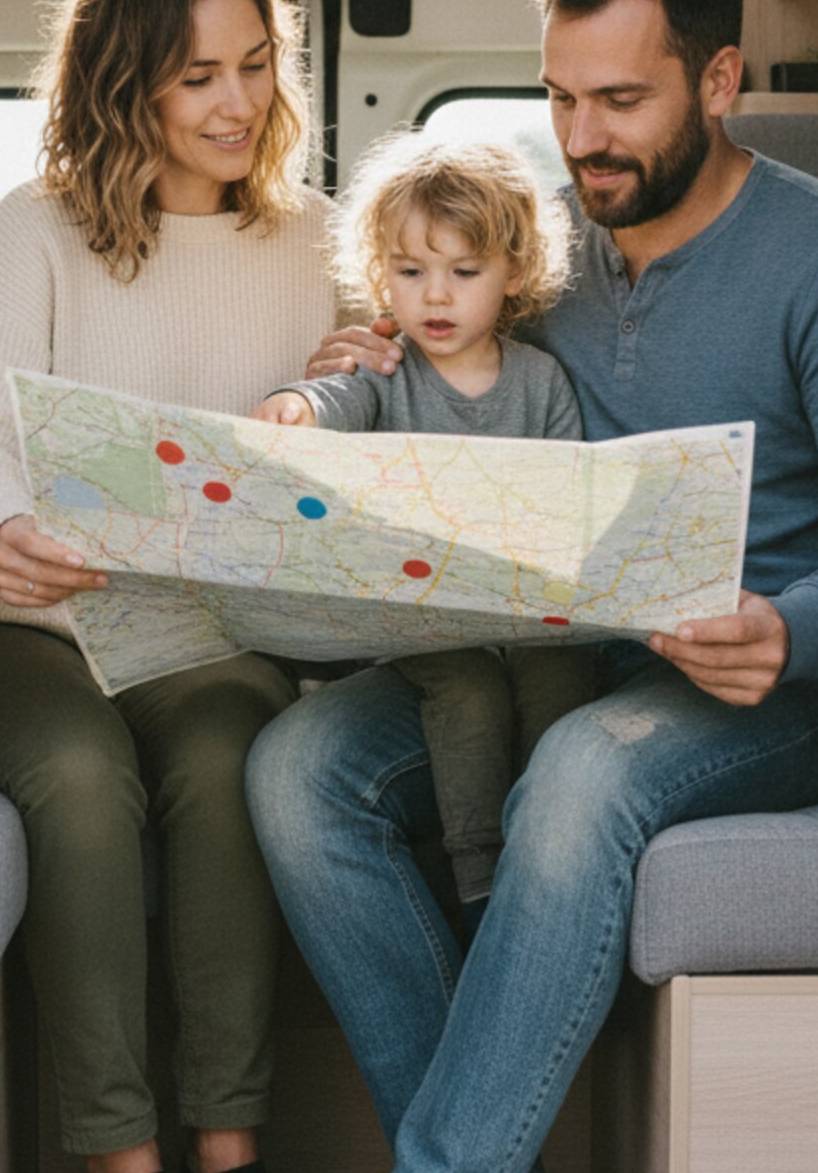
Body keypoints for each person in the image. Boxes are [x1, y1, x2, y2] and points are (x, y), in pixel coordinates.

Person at [191, 0, 818, 1173]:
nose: (584, 140)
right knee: (291, 770)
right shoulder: (547, 242)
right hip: (546, 651)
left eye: (623, 101)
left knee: (583, 774)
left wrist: (795, 631)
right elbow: (441, 352)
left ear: (720, 79)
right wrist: (357, 363)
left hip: (768, 688)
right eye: (559, 99)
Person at [0, 0, 338, 1173]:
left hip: (200, 637)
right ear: (126, 84)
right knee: (84, 788)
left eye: (255, 67)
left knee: (231, 769)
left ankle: (228, 1157)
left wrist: (366, 367)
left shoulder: (316, 240)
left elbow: (384, 395)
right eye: (196, 75)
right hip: (11, 637)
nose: (234, 103)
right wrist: (4, 529)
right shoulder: (41, 228)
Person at [249, 128, 595, 909]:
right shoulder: (384, 369)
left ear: (514, 275)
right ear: (382, 277)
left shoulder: (541, 384)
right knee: (468, 691)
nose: (435, 295)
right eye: (411, 272)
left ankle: (544, 851)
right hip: (422, 617)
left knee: (560, 673)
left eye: (464, 272)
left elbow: (570, 496)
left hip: (527, 612)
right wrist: (296, 405)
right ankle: (479, 879)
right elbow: (335, 401)